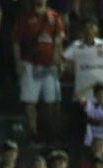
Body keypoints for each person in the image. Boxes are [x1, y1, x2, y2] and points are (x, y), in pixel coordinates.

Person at [12, 0, 65, 140]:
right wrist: (18, 62)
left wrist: (59, 59)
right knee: (30, 101)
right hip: (30, 63)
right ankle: (32, 130)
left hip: (50, 64)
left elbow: (59, 38)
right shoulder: (25, 17)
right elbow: (16, 41)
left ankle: (52, 131)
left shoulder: (53, 16)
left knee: (52, 100)